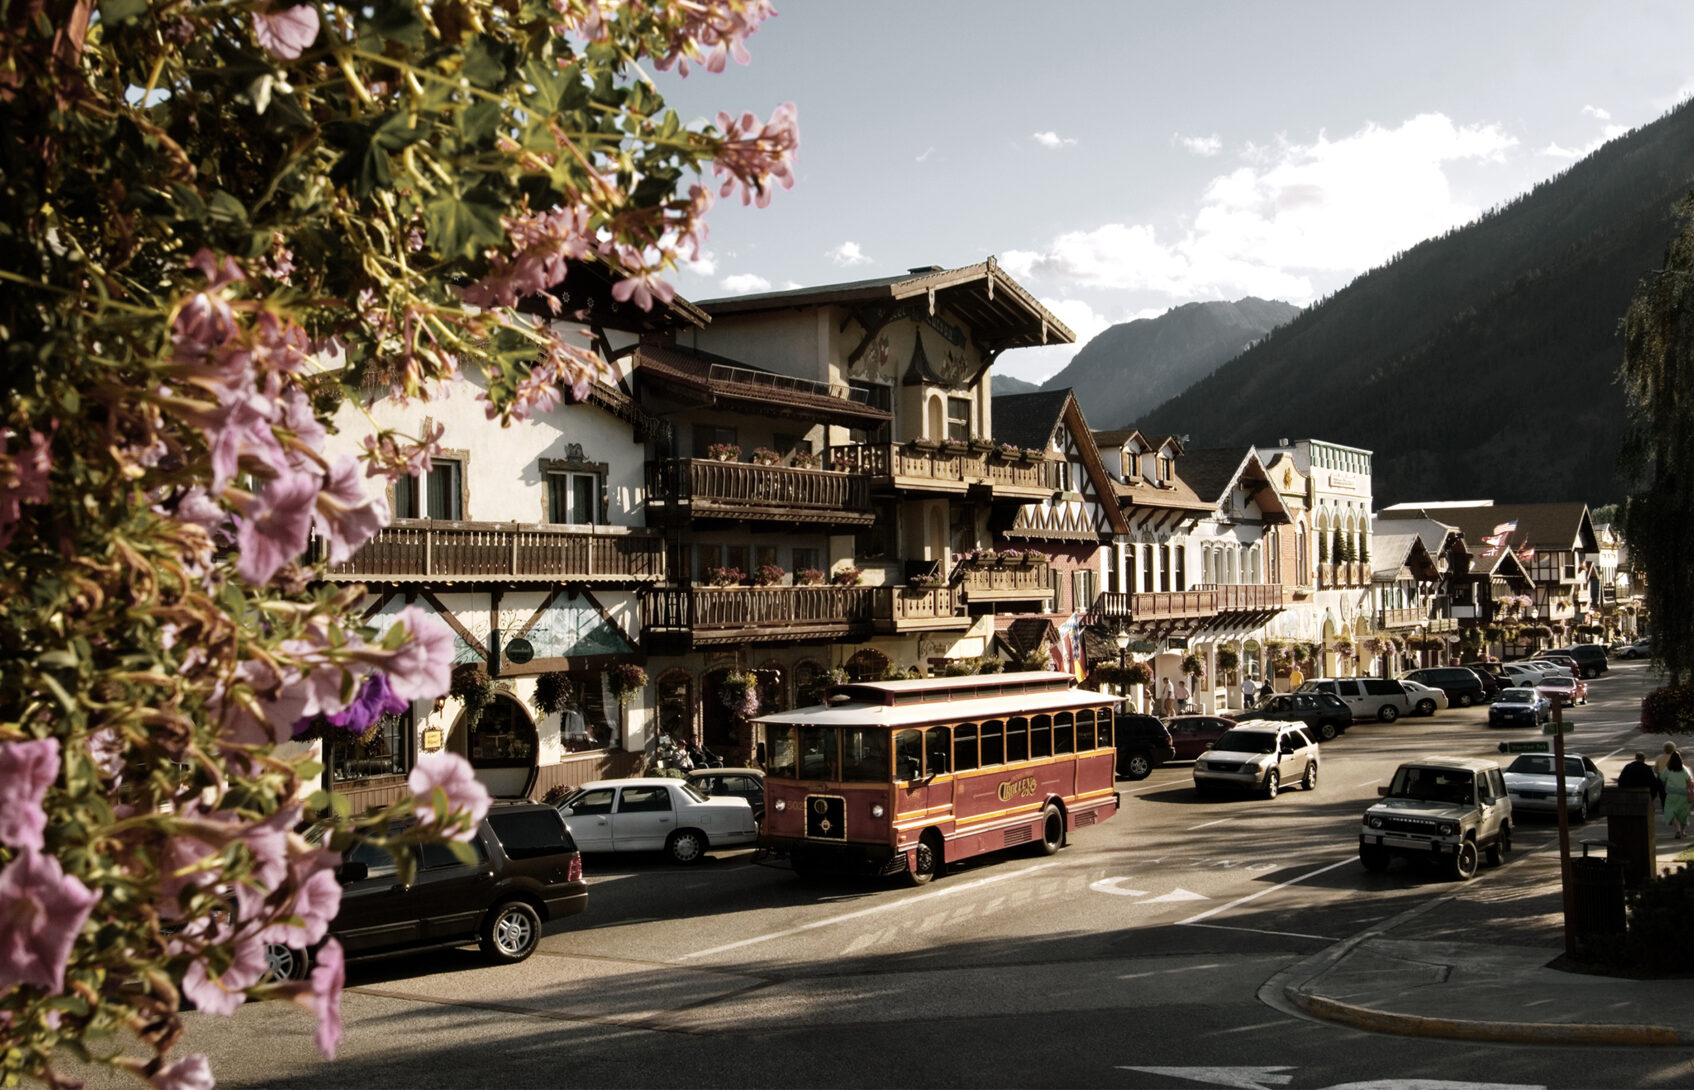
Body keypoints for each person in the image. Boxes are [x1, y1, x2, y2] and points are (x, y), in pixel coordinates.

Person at [1661, 752, 1691, 838]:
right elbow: (1689, 779)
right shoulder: (1684, 769)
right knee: (1683, 813)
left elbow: (1662, 778)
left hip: (1671, 793)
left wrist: (1666, 785)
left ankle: (1678, 829)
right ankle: (1683, 831)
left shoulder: (1668, 769)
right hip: (1683, 793)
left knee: (1672, 812)